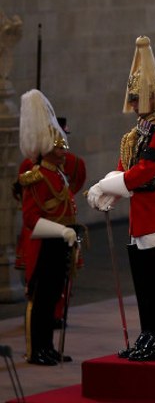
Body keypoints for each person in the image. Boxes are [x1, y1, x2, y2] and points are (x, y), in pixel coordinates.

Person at [87, 36, 155, 362]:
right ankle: (147, 335)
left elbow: (146, 171)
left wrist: (109, 185)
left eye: (136, 99)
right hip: (142, 213)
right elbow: (128, 165)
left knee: (153, 283)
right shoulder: (141, 130)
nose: (132, 105)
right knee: (144, 283)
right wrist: (112, 189)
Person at [17, 90, 80, 365]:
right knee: (41, 300)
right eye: (58, 147)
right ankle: (36, 349)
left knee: (55, 295)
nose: (63, 150)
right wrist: (61, 231)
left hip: (59, 244)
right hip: (43, 243)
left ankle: (49, 347)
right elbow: (30, 219)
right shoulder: (36, 177)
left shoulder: (58, 174)